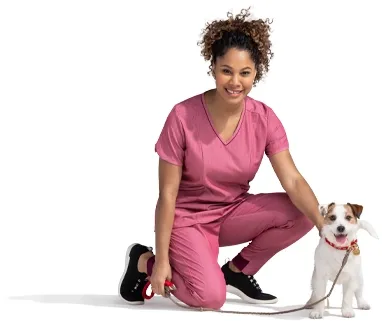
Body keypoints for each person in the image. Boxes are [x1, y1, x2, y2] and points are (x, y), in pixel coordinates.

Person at [118, 8, 324, 310]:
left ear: (257, 72)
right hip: (186, 220)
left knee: (305, 212)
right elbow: (167, 194)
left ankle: (238, 271)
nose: (235, 82)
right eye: (226, 70)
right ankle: (142, 261)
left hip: (232, 213)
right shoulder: (182, 116)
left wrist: (326, 228)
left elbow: (292, 179)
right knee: (209, 298)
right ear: (213, 67)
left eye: (245, 73)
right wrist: (160, 261)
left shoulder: (264, 118)